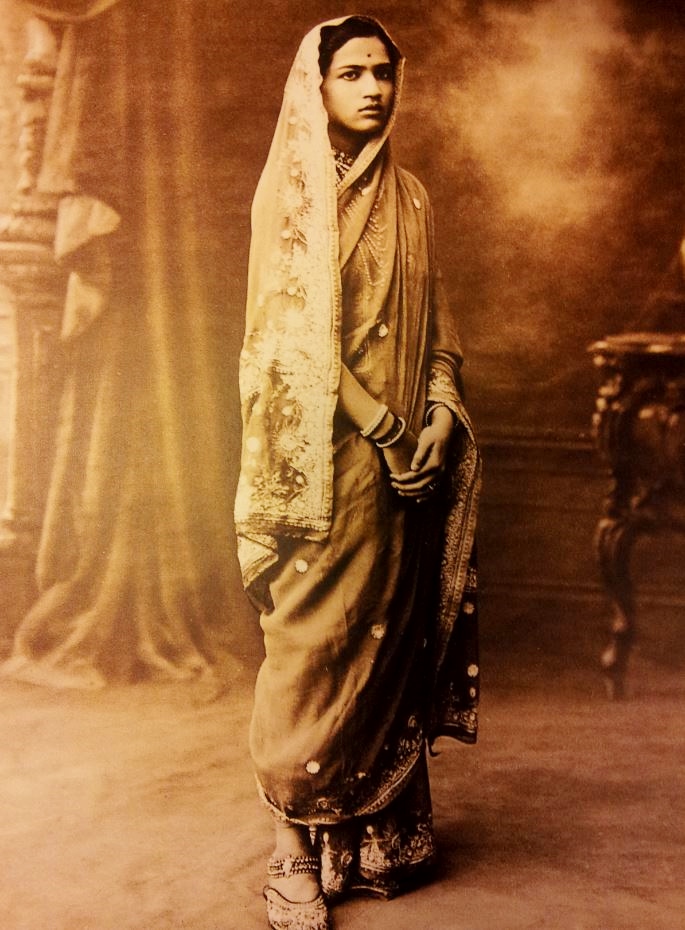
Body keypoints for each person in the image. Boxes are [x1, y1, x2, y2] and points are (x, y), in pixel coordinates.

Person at [234, 15, 481, 930]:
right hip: (323, 464)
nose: (374, 88)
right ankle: (291, 852)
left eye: (384, 72)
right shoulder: (292, 195)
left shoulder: (411, 196)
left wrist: (439, 415)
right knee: (310, 650)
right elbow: (287, 338)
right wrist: (383, 427)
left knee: (386, 643)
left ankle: (370, 836)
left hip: (404, 465)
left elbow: (439, 321)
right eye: (352, 73)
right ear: (316, 87)